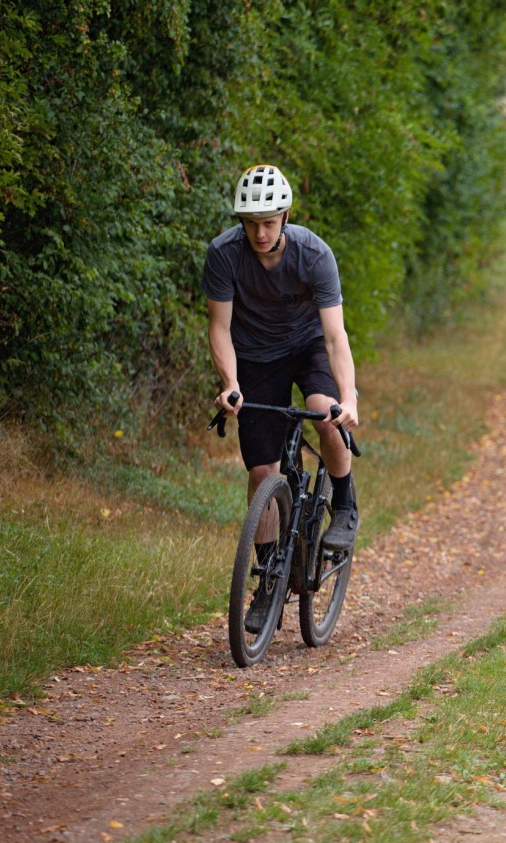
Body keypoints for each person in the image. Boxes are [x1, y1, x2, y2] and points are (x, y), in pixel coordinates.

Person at [202, 164, 360, 633]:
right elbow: (219, 328)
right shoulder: (224, 254)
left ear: (285, 217)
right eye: (251, 223)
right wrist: (231, 383)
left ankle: (344, 503)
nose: (260, 233)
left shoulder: (314, 255)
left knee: (325, 415)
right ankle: (268, 579)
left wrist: (347, 398)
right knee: (261, 472)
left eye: (269, 222)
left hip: (309, 346)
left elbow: (335, 336)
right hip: (255, 356)